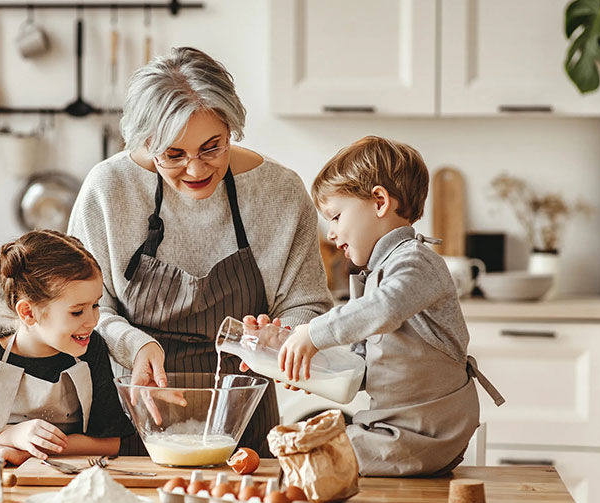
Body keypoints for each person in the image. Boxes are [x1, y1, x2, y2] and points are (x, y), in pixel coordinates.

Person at [68, 47, 332, 457]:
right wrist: (135, 345)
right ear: (143, 142)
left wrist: (279, 336)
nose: (195, 170)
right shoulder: (108, 189)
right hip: (135, 413)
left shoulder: (279, 192)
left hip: (244, 422)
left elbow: (308, 303)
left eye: (212, 147)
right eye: (172, 155)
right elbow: (84, 309)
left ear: (232, 129)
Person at [278, 136, 505, 476]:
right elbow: (360, 368)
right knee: (305, 449)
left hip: (427, 430)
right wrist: (309, 368)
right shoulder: (373, 275)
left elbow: (385, 308)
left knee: (311, 458)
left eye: (336, 216)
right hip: (394, 426)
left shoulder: (415, 262)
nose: (331, 234)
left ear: (380, 201)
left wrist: (313, 332)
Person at [0, 230, 134, 466]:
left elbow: (113, 442)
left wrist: (31, 451)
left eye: (95, 305)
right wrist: (12, 436)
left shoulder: (91, 348)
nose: (93, 320)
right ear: (28, 312)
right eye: (77, 311)